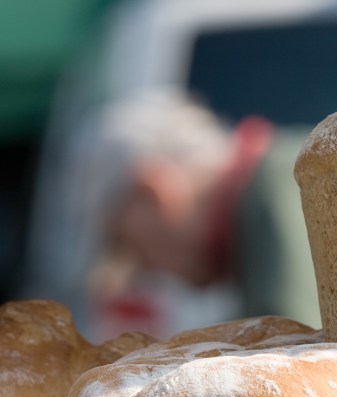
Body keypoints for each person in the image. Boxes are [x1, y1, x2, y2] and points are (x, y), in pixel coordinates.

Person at [70, 90, 320, 340]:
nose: (144, 272)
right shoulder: (281, 188)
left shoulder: (278, 198)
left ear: (155, 193)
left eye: (131, 248)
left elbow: (304, 362)